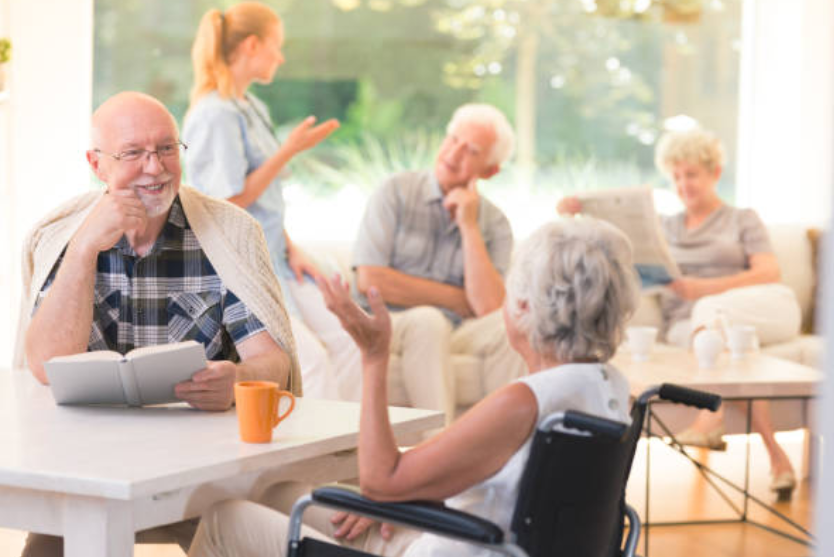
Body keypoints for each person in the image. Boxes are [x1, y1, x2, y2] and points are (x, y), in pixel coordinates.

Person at [186, 216, 639, 557]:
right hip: (480, 537)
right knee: (274, 493)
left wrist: (374, 356)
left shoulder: (524, 401)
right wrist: (395, 493)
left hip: (451, 546)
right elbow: (489, 472)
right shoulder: (607, 389)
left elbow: (381, 480)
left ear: (523, 306)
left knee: (225, 518)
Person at [16, 91, 301, 556]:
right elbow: (47, 365)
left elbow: (274, 362)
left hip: (202, 472)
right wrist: (86, 248)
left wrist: (240, 380)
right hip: (86, 465)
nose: (155, 167)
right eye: (133, 153)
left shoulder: (229, 232)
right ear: (97, 164)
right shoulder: (62, 235)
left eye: (167, 148)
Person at [557, 127, 800, 496]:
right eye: (676, 176)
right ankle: (776, 455)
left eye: (692, 174)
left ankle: (711, 418)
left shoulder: (741, 218)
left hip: (759, 309)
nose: (683, 184)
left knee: (711, 312)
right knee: (734, 349)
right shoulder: (664, 227)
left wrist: (702, 290)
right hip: (694, 328)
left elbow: (769, 272)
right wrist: (575, 218)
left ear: (715, 173)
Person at [182, 2, 341, 399]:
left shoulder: (252, 106)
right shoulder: (215, 113)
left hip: (278, 257)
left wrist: (291, 247)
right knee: (312, 362)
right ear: (252, 45)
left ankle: (352, 448)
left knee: (348, 341)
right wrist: (288, 151)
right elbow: (229, 200)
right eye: (276, 45)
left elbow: (266, 200)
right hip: (244, 266)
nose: (281, 56)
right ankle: (313, 455)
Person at [341, 102, 523, 422]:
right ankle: (438, 451)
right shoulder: (396, 191)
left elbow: (489, 307)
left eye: (471, 151)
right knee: (428, 321)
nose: (453, 154)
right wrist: (454, 298)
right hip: (388, 321)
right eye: (452, 140)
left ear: (490, 171)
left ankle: (506, 448)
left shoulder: (494, 223)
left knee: (516, 323)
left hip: (457, 328)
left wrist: (469, 225)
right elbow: (371, 281)